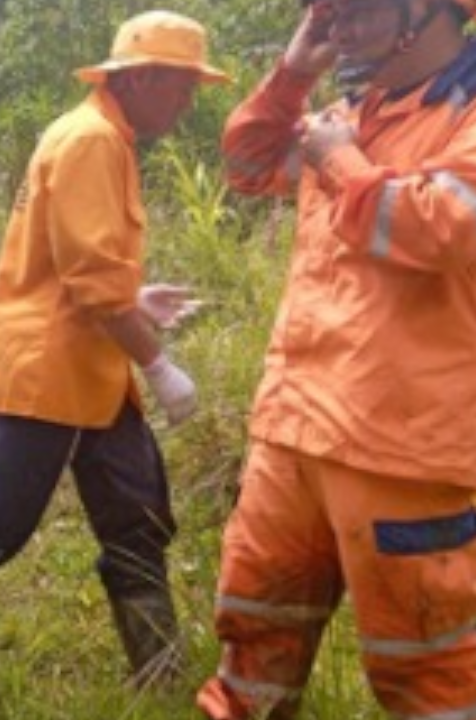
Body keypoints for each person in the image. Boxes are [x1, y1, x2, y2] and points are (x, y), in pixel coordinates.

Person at [0, 10, 226, 687]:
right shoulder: (92, 141)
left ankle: (158, 672)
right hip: (54, 371)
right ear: (146, 77)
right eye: (184, 87)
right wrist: (158, 364)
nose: (190, 103)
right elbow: (93, 285)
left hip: (91, 367)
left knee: (138, 516)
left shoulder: (104, 136)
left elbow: (84, 265)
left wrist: (137, 296)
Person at [197, 0, 476, 717]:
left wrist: (341, 164)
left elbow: (449, 228)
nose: (339, 28)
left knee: (433, 676)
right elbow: (248, 161)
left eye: (357, 11)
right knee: (253, 641)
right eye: (326, 12)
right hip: (292, 434)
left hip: (403, 455)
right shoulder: (349, 112)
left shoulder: (458, 115)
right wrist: (293, 72)